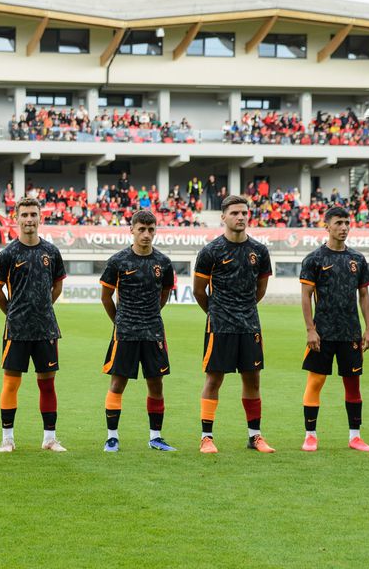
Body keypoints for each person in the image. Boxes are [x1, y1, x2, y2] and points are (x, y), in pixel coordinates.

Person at [192, 194, 274, 454]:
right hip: (220, 325)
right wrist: (217, 312)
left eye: (244, 213)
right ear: (223, 217)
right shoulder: (211, 251)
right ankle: (206, 437)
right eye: (235, 213)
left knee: (253, 380)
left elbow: (260, 289)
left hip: (249, 325)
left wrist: (244, 309)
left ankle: (255, 436)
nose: (240, 217)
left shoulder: (259, 251)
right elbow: (198, 291)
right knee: (214, 379)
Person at [0, 197, 66, 453]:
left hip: (46, 329)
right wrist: (12, 312)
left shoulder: (51, 252)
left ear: (40, 218)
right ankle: (7, 438)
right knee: (11, 384)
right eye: (25, 215)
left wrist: (44, 306)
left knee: (47, 383)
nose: (29, 219)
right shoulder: (8, 254)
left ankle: (50, 439)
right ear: (16, 218)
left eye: (34, 214)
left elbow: (57, 284)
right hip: (17, 330)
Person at [97, 208, 176, 452]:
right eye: (141, 229)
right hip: (126, 332)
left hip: (153, 332)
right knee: (118, 383)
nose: (146, 234)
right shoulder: (118, 261)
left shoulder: (163, 263)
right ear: (131, 230)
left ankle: (155, 437)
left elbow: (164, 294)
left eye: (151, 230)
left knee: (156, 384)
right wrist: (119, 320)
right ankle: (112, 437)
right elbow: (106, 296)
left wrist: (150, 315)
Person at [298, 206, 369, 453]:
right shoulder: (314, 259)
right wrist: (310, 330)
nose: (343, 227)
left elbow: (364, 295)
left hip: (350, 332)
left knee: (353, 384)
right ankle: (310, 435)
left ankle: (355, 437)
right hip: (323, 332)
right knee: (316, 381)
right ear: (327, 226)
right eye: (338, 223)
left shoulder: (357, 260)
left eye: (346, 223)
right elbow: (306, 296)